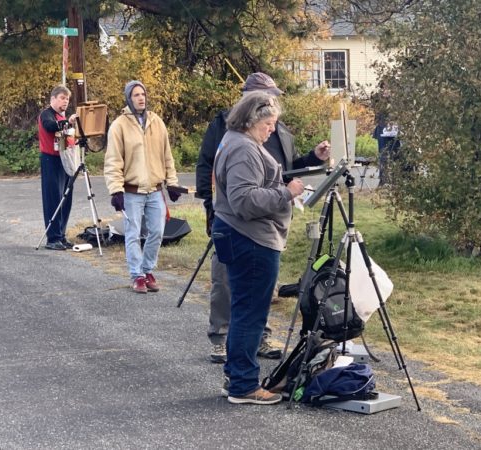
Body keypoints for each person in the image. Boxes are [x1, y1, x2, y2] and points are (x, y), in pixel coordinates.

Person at [196, 72, 331, 363]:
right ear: (249, 98)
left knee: (258, 289)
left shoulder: (278, 128)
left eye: (274, 96)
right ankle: (221, 338)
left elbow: (288, 169)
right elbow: (207, 166)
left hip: (266, 221)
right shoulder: (226, 126)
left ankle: (259, 339)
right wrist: (210, 206)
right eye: (266, 96)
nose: (272, 103)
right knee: (226, 281)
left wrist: (313, 158)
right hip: (235, 219)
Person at [212, 91, 305, 404]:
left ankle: (237, 377)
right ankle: (243, 384)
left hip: (241, 235)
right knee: (251, 312)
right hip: (249, 238)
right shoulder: (243, 150)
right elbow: (244, 200)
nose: (272, 129)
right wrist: (286, 194)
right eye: (268, 123)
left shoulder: (236, 141)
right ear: (252, 120)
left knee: (244, 309)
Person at [104, 80, 181, 294]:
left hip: (155, 189)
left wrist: (172, 183)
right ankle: (137, 275)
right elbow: (113, 161)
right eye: (136, 95)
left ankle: (148, 270)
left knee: (157, 232)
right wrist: (116, 190)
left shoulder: (157, 122)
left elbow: (167, 156)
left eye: (143, 94)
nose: (141, 98)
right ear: (129, 98)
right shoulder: (119, 125)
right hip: (132, 191)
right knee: (133, 233)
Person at [38, 85, 78, 250]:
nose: (65, 101)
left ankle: (61, 235)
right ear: (53, 99)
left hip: (64, 160)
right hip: (51, 161)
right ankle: (52, 238)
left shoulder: (63, 117)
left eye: (67, 99)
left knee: (65, 198)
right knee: (53, 198)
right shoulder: (46, 114)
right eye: (62, 98)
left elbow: (65, 139)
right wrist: (66, 123)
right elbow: (49, 126)